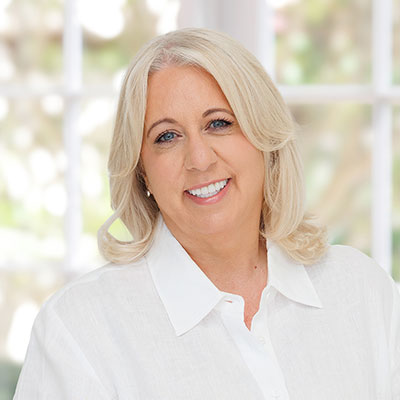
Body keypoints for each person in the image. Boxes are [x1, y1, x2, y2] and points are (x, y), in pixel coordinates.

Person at [14, 28, 400, 399]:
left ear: (264, 138)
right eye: (167, 136)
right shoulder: (80, 330)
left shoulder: (361, 290)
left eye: (219, 124)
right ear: (141, 170)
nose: (199, 159)